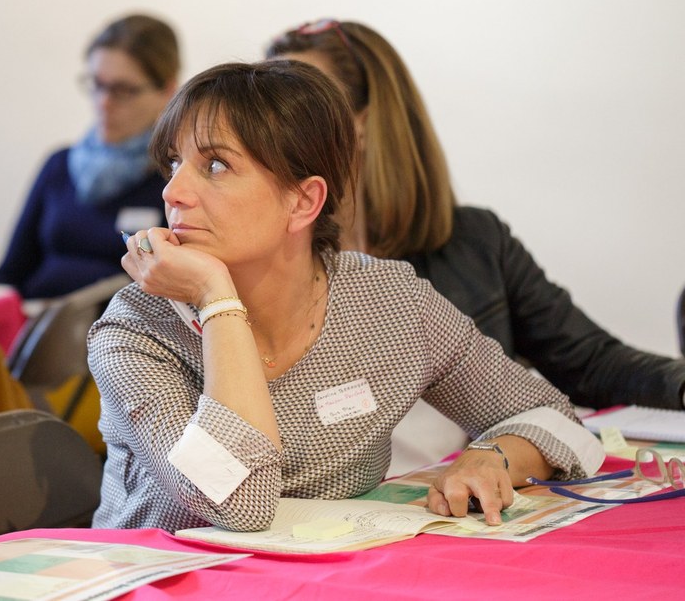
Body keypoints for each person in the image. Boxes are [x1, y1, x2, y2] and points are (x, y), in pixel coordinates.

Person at [87, 60, 603, 533]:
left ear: (303, 200)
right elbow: (237, 503)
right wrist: (216, 298)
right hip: (170, 579)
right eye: (174, 163)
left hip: (338, 577)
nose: (172, 192)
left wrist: (494, 456)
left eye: (216, 165)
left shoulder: (387, 300)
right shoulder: (137, 329)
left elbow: (550, 414)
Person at [267, 19, 685, 473]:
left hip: (445, 510)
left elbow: (587, 363)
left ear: (363, 123)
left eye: (297, 108)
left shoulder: (472, 245)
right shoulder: (251, 266)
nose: (270, 130)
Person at [0, 13, 179, 298]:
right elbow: (11, 273)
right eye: (97, 84)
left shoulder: (175, 178)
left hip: (116, 334)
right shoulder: (60, 165)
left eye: (123, 90)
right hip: (33, 325)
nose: (104, 102)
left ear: (167, 90)